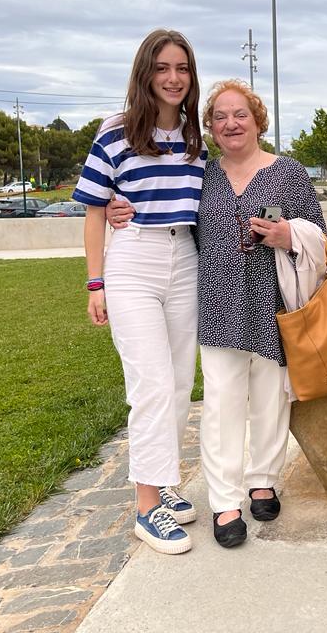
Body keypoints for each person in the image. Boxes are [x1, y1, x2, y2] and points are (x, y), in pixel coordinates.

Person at [107, 79, 326, 548]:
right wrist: (115, 205)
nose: (231, 124)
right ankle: (225, 500)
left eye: (240, 114)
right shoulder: (201, 173)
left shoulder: (289, 172)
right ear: (209, 127)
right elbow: (162, 206)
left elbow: (320, 238)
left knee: (271, 399)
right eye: (220, 117)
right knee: (222, 404)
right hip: (218, 302)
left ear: (258, 120)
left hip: (274, 303)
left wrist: (288, 234)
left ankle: (262, 478)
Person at [72, 29, 207, 555]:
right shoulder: (115, 133)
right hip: (133, 261)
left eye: (182, 69)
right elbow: (93, 211)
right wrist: (95, 282)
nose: (173, 79)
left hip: (185, 260)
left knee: (177, 384)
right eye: (162, 68)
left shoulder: (195, 138)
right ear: (145, 73)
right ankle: (146, 508)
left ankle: (165, 484)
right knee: (150, 383)